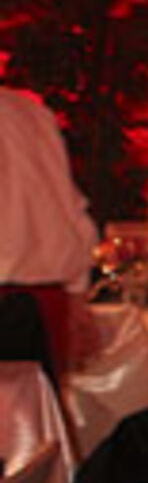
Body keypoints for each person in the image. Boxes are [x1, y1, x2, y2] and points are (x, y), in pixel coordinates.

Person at [0, 84, 99, 377]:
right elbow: (72, 212)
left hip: (29, 299)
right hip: (46, 302)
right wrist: (77, 299)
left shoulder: (31, 112)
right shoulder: (30, 111)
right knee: (37, 404)